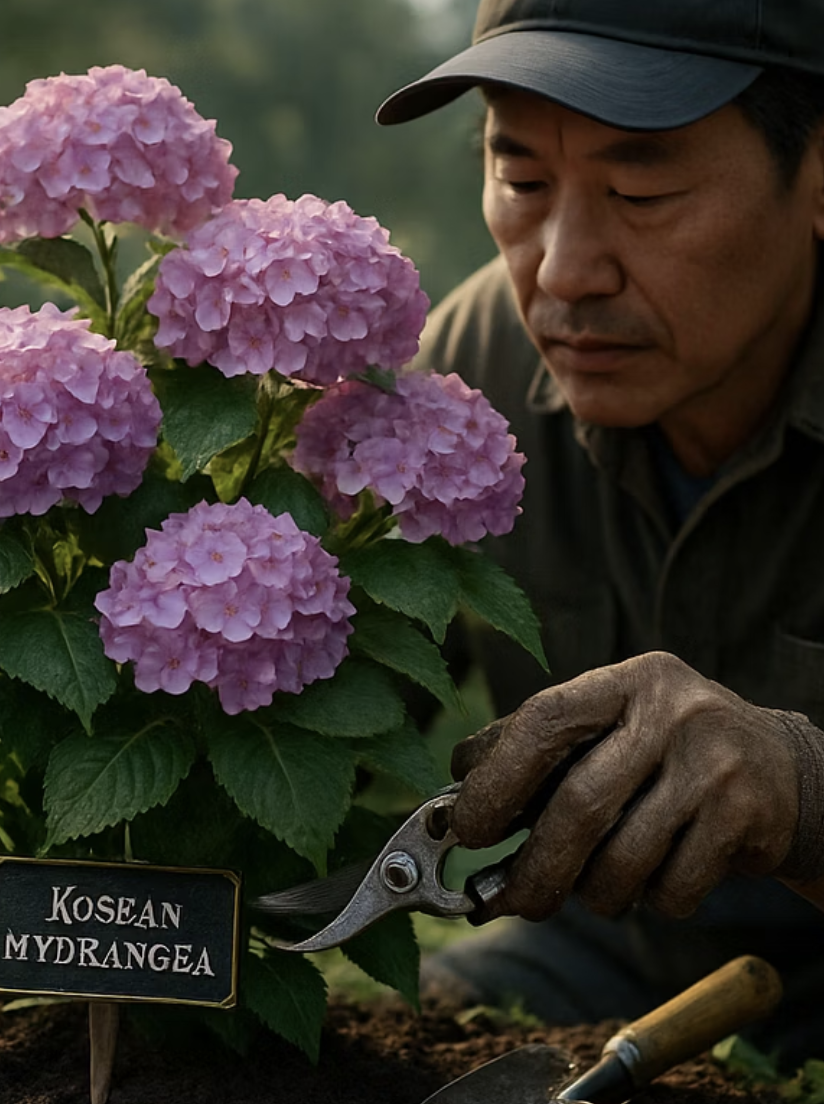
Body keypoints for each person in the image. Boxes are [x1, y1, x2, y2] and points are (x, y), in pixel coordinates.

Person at [376, 0, 824, 1066]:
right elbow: (319, 707)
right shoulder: (466, 373)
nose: (566, 271)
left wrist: (801, 791)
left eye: (643, 190)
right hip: (595, 959)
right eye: (521, 181)